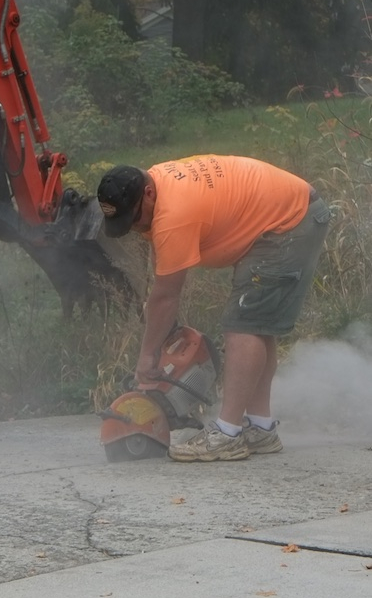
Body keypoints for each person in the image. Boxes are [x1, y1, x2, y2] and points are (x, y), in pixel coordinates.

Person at [96, 156, 331, 462]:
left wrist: (147, 355)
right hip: (288, 212)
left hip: (289, 222)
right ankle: (261, 428)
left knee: (243, 326)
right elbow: (163, 276)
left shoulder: (174, 213)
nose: (135, 227)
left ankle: (228, 435)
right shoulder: (157, 187)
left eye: (135, 218)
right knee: (257, 324)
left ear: (149, 193)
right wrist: (160, 336)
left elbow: (166, 295)